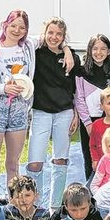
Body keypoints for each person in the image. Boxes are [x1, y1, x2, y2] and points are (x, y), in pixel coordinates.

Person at [0, 10, 36, 199]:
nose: (17, 30)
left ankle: (14, 205)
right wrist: (3, 88)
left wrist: (67, 51)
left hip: (20, 110)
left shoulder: (28, 47)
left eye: (22, 27)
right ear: (5, 25)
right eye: (13, 25)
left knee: (13, 164)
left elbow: (51, 36)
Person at [28, 17, 77, 209]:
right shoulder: (36, 53)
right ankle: (36, 206)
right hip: (41, 112)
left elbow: (76, 88)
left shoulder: (71, 57)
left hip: (64, 112)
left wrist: (75, 113)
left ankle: (55, 207)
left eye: (59, 34)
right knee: (35, 162)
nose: (54, 37)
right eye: (50, 32)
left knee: (60, 160)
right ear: (44, 33)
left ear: (64, 36)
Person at [75, 33, 110, 179]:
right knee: (90, 157)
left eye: (103, 49)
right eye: (95, 48)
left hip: (108, 120)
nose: (99, 52)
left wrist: (108, 119)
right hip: (89, 121)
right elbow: (79, 99)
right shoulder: (81, 72)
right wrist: (87, 123)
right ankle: (91, 187)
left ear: (109, 51)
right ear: (89, 50)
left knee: (109, 154)